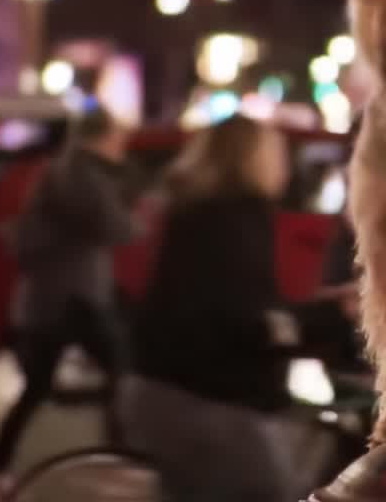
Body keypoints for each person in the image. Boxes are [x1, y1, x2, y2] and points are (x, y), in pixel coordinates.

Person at [118, 114, 295, 502]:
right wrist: (319, 323)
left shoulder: (199, 211)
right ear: (251, 159)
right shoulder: (236, 220)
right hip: (205, 399)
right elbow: (246, 316)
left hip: (163, 388)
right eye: (276, 153)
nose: (285, 164)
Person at [0, 107, 137, 501]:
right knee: (120, 369)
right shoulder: (80, 174)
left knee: (43, 386)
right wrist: (134, 213)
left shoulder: (74, 170)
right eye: (118, 138)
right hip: (68, 301)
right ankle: (118, 460)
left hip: (62, 299)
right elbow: (114, 226)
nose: (122, 146)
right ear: (102, 138)